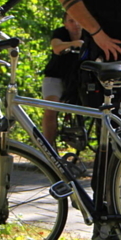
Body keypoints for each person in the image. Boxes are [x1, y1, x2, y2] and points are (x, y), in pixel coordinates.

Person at [42, 12, 86, 146]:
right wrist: (74, 44)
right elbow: (56, 47)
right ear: (65, 24)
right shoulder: (60, 33)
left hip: (80, 79)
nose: (76, 24)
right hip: (55, 77)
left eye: (78, 20)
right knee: (51, 108)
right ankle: (48, 148)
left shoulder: (90, 35)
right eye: (71, 21)